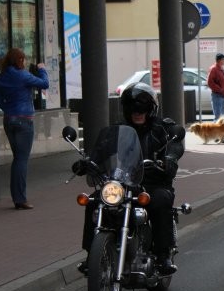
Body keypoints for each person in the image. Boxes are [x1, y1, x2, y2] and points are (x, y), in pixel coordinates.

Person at [74, 83, 185, 275]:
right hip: (123, 183)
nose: (138, 113)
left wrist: (170, 158)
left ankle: (163, 255)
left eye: (142, 110)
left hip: (154, 182)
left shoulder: (162, 128)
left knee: (160, 201)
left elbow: (175, 143)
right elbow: (101, 150)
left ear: (151, 109)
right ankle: (92, 255)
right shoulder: (118, 130)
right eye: (133, 110)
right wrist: (87, 163)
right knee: (94, 201)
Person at [0, 48, 49, 210]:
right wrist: (42, 69)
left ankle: (17, 197)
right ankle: (19, 199)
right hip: (24, 120)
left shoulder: (2, 77)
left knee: (18, 158)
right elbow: (44, 84)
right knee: (21, 159)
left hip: (9, 120)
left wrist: (9, 109)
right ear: (19, 60)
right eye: (23, 59)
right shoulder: (23, 75)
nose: (24, 62)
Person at [207, 52, 224, 122]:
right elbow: (210, 82)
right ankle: (215, 129)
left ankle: (220, 129)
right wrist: (220, 90)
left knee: (221, 118)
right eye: (223, 59)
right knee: (218, 118)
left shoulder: (221, 68)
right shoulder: (214, 69)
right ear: (219, 60)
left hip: (223, 95)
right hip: (217, 95)